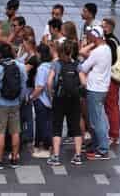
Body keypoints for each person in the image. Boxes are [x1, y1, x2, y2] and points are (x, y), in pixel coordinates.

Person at [0, 42, 29, 169]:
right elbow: (23, 86)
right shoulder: (20, 66)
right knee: (15, 131)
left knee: (0, 132)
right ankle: (14, 158)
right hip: (15, 102)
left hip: (1, 103)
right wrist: (20, 100)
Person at [48, 38, 84, 167]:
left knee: (57, 126)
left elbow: (49, 81)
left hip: (59, 98)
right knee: (75, 127)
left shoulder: (56, 64)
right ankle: (78, 155)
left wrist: (51, 93)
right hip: (74, 99)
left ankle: (56, 156)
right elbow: (84, 82)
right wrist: (79, 92)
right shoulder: (77, 65)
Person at [79, 27, 113, 160]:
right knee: (99, 118)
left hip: (94, 89)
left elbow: (83, 67)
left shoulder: (97, 52)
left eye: (91, 36)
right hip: (103, 87)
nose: (88, 38)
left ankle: (102, 148)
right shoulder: (107, 49)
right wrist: (95, 42)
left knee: (96, 120)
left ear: (95, 37)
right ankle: (99, 144)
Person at [31, 43, 54, 158]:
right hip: (50, 100)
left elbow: (39, 87)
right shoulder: (52, 65)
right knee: (49, 123)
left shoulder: (41, 68)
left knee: (41, 124)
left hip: (41, 100)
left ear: (40, 54)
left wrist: (31, 97)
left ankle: (43, 147)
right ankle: (48, 146)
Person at [101, 17, 120, 145]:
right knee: (112, 106)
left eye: (103, 26)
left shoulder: (110, 42)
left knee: (111, 106)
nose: (101, 28)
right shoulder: (113, 40)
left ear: (108, 27)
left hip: (111, 78)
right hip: (112, 78)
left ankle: (114, 134)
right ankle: (114, 133)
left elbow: (111, 60)